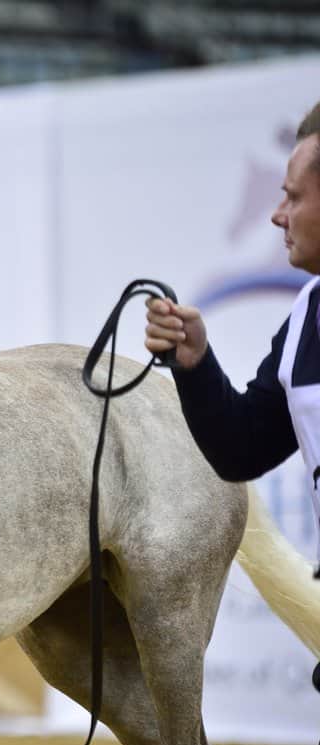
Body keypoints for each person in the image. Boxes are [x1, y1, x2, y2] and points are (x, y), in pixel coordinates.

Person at [145, 100, 320, 486]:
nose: (278, 214)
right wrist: (195, 362)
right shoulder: (307, 313)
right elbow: (243, 451)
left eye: (293, 196)